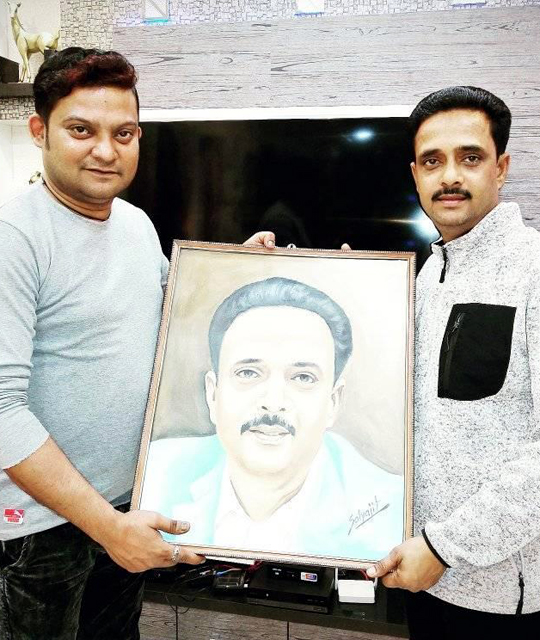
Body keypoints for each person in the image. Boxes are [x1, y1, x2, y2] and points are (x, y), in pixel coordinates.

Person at [0, 47, 272, 639]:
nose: (106, 150)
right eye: (81, 130)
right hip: (38, 530)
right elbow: (1, 409)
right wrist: (107, 526)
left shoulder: (134, 222)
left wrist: (238, 268)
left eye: (122, 133)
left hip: (127, 503)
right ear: (39, 131)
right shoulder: (13, 237)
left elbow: (175, 313)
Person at [366, 86, 540, 639]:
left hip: (503, 597)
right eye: (432, 161)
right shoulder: (428, 275)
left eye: (470, 157)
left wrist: (445, 548)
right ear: (415, 174)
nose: (450, 177)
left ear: (501, 168)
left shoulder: (533, 270)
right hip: (426, 576)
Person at [141, 276, 404, 560]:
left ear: (333, 402)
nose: (273, 403)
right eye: (248, 373)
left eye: (303, 377)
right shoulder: (154, 475)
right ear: (213, 394)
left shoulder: (389, 509)